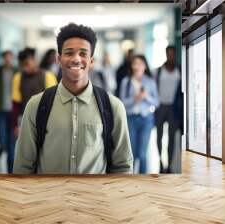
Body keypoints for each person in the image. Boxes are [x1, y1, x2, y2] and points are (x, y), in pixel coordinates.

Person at [14, 23, 133, 174]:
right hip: (48, 196)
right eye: (69, 53)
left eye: (83, 54)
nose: (76, 59)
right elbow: (23, 166)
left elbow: (123, 167)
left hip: (95, 196)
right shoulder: (36, 105)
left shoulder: (113, 107)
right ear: (58, 59)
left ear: (91, 61)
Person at [119, 55, 159, 174]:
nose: (137, 66)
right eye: (135, 63)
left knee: (142, 154)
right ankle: (130, 178)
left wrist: (146, 97)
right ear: (132, 66)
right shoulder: (126, 82)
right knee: (132, 153)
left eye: (140, 64)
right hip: (130, 119)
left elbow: (156, 102)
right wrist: (134, 99)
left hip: (146, 119)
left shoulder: (150, 82)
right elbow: (121, 103)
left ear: (145, 66)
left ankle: (143, 181)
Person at [12, 47, 57, 138]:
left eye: (27, 64)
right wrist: (15, 126)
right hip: (26, 120)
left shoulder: (47, 76)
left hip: (45, 120)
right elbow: (16, 104)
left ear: (35, 61)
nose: (25, 68)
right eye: (22, 65)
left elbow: (54, 101)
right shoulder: (18, 77)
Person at [155, 46, 181, 173]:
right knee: (158, 136)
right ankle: (160, 161)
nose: (170, 56)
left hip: (173, 108)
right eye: (168, 54)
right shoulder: (159, 71)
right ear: (166, 54)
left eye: (172, 54)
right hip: (160, 106)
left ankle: (169, 165)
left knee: (171, 138)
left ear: (175, 55)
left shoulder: (179, 70)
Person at [0, 50, 17, 173]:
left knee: (11, 137)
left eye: (10, 57)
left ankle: (9, 164)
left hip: (13, 110)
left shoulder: (17, 72)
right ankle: (2, 146)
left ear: (12, 58)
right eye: (6, 57)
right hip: (1, 108)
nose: (8, 59)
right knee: (1, 136)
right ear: (3, 59)